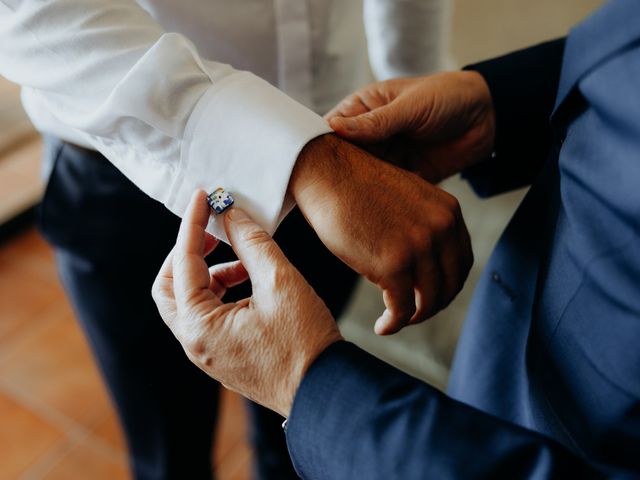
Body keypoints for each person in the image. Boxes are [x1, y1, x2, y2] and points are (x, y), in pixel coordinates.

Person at [152, 0, 640, 477]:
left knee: (281, 448)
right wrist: (508, 98)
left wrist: (310, 390)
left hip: (575, 418)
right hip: (147, 191)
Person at [0, 1, 451, 478]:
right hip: (121, 169)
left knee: (300, 433)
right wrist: (300, 158)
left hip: (335, 148)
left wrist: (414, 78)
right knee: (167, 455)